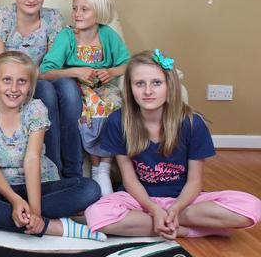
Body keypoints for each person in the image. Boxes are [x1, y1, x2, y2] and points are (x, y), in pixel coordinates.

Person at [85, 50, 261, 239]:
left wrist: (176, 209)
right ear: (130, 88)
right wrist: (153, 209)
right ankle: (188, 230)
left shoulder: (192, 123)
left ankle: (165, 221)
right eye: (139, 83)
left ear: (170, 85)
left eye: (157, 83)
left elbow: (195, 181)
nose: (148, 91)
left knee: (252, 207)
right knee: (97, 213)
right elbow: (130, 179)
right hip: (138, 201)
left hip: (184, 201)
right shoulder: (118, 121)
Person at [0, 51, 105, 240]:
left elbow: (32, 159)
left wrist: (35, 210)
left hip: (41, 185)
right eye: (7, 80)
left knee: (90, 189)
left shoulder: (35, 109)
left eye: (22, 81)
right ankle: (53, 226)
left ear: (30, 86)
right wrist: (15, 200)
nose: (14, 88)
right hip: (3, 190)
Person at [0, 0, 80, 179]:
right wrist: (39, 75)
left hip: (46, 78)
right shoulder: (3, 18)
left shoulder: (53, 19)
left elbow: (55, 65)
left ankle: (74, 172)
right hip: (11, 84)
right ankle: (54, 171)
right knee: (46, 89)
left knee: (68, 87)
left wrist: (59, 73)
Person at [41, 0, 129, 195]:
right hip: (78, 89)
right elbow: (45, 71)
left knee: (114, 103)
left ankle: (103, 168)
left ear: (100, 12)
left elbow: (127, 64)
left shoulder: (108, 35)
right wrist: (75, 72)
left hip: (103, 89)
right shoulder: (67, 36)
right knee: (91, 107)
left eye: (84, 9)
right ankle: (95, 166)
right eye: (75, 8)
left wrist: (112, 71)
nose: (76, 14)